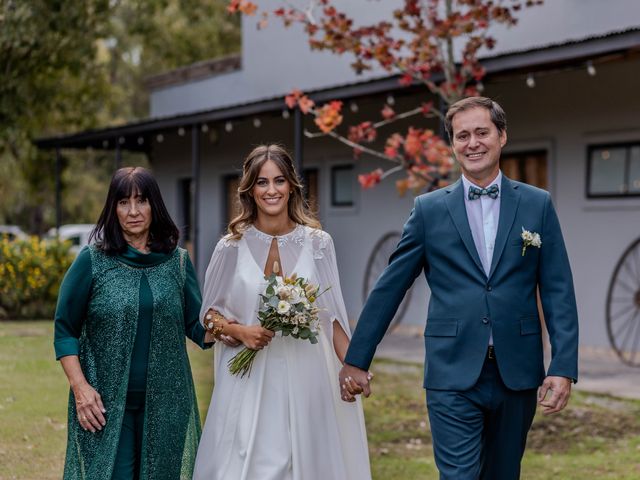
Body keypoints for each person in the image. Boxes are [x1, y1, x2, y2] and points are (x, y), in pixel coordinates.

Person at [340, 96, 579, 479]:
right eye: (462, 135)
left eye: (482, 132)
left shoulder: (538, 205)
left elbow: (557, 290)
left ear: (502, 136)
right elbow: (390, 287)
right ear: (452, 145)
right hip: (451, 372)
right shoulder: (428, 210)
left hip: (517, 371)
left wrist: (563, 366)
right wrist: (357, 358)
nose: (473, 143)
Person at [193, 144, 371, 480]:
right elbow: (208, 316)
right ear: (250, 189)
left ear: (292, 185)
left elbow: (331, 320)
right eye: (262, 182)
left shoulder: (319, 243)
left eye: (279, 181)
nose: (271, 190)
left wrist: (355, 366)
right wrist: (240, 332)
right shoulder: (230, 246)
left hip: (307, 375)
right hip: (249, 378)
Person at [54, 167, 217, 479]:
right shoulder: (92, 261)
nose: (132, 212)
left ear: (154, 206)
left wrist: (233, 325)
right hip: (106, 406)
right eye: (123, 202)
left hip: (168, 404)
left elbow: (198, 328)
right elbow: (65, 329)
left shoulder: (177, 262)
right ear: (112, 209)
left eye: (141, 201)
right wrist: (80, 388)